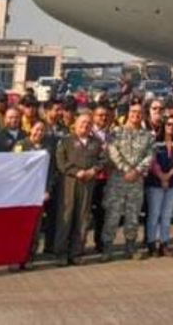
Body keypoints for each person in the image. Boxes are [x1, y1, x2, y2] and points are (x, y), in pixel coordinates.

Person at [100, 107, 153, 262]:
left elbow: (150, 155)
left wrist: (136, 171)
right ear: (128, 115)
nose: (136, 115)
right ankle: (107, 248)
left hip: (136, 181)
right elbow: (112, 152)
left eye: (139, 113)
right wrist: (126, 169)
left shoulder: (148, 136)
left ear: (143, 115)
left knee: (133, 216)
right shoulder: (116, 132)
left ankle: (130, 248)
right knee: (112, 216)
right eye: (133, 113)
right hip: (117, 180)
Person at [54, 113, 105, 266]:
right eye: (82, 123)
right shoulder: (65, 141)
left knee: (83, 218)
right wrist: (76, 172)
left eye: (89, 123)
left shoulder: (97, 142)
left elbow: (103, 159)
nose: (85, 126)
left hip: (87, 184)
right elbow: (60, 160)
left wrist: (93, 171)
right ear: (75, 124)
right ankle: (61, 254)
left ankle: (76, 253)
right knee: (66, 217)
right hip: (69, 183)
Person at [12, 120, 57, 270]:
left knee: (35, 227)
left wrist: (48, 190)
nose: (38, 133)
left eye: (42, 130)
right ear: (30, 129)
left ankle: (30, 256)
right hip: (22, 191)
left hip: (39, 192)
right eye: (36, 129)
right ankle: (15, 257)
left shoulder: (48, 148)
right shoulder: (21, 145)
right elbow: (15, 166)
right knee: (18, 226)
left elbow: (51, 171)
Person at [146, 115, 173, 257]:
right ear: (164, 125)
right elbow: (152, 161)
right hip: (155, 183)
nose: (171, 127)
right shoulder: (155, 141)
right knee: (154, 214)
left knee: (167, 215)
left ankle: (164, 244)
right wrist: (162, 176)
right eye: (168, 124)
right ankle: (152, 244)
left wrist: (168, 176)